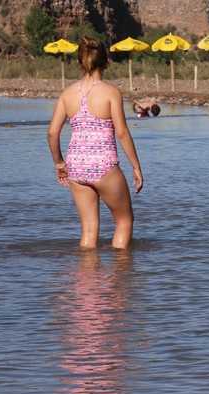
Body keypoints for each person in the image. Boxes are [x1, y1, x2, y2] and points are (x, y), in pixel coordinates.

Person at [47, 37, 144, 250]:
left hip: (76, 167)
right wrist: (136, 166)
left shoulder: (67, 94)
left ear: (80, 62)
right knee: (124, 221)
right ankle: (121, 275)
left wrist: (59, 163)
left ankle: (86, 281)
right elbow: (122, 132)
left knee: (89, 230)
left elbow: (53, 132)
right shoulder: (110, 92)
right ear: (106, 61)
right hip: (104, 166)